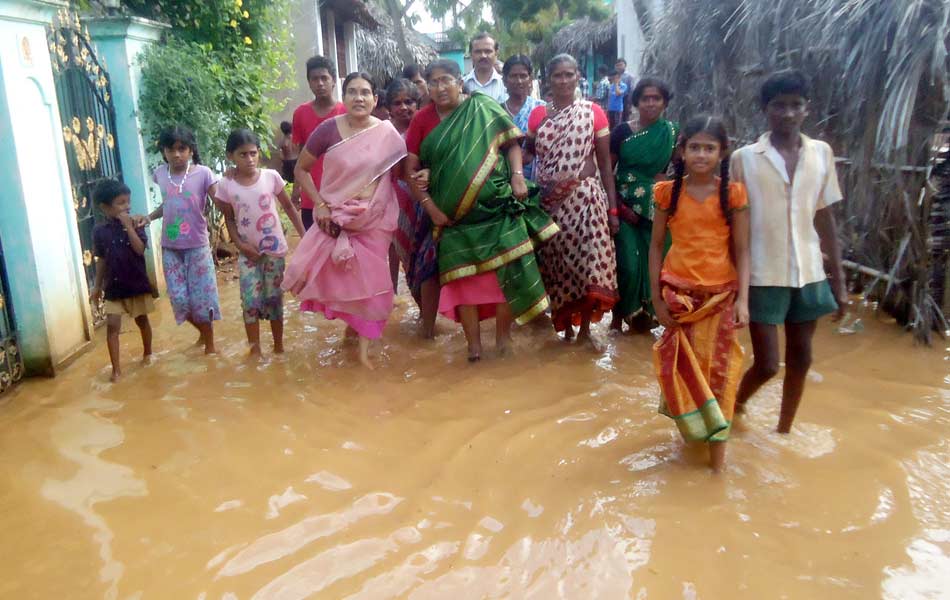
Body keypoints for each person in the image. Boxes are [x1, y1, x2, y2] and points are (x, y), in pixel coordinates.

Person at [405, 59, 558, 361]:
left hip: (496, 205)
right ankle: (473, 347)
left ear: (460, 82)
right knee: (464, 283)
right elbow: (412, 171)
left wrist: (517, 177)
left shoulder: (482, 107)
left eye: (445, 79)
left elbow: (512, 143)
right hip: (453, 218)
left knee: (504, 276)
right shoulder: (422, 121)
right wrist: (431, 209)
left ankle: (503, 341)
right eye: (433, 82)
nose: (439, 87)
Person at [731, 69, 848, 433]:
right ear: (766, 109)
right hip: (763, 272)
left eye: (795, 105)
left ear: (807, 109)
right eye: (779, 105)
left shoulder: (821, 154)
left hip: (809, 271)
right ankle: (734, 405)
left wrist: (839, 282)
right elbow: (735, 222)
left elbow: (825, 216)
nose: (787, 113)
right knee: (767, 364)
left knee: (802, 357)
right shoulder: (745, 158)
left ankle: (784, 431)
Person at [282, 72, 408, 369]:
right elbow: (300, 170)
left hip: (373, 218)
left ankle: (364, 352)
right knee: (345, 277)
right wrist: (321, 205)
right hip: (336, 216)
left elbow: (399, 176)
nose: (359, 97)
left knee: (374, 281)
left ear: (375, 100)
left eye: (365, 92)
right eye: (352, 91)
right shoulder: (327, 131)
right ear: (345, 96)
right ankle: (352, 332)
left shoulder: (387, 135)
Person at [649, 115, 751, 472]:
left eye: (710, 148)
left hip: (720, 299)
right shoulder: (667, 192)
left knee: (720, 377)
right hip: (679, 299)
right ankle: (690, 445)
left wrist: (743, 300)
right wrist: (657, 299)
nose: (702, 154)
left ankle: (717, 466)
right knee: (685, 377)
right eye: (695, 147)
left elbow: (743, 250)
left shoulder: (733, 194)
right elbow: (657, 246)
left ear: (722, 152)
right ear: (682, 151)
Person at [526, 54, 620, 349]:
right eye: (558, 75)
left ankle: (585, 334)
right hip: (550, 205)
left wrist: (612, 210)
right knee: (557, 267)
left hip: (586, 201)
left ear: (578, 76)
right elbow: (528, 155)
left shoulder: (593, 112)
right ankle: (566, 330)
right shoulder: (538, 116)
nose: (564, 80)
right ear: (549, 80)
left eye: (569, 74)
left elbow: (605, 165)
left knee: (588, 265)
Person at [215, 129, 306, 356]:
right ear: (230, 156)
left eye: (253, 153)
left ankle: (278, 347)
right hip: (248, 254)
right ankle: (255, 350)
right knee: (249, 301)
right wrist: (240, 245)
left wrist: (305, 236)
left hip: (274, 251)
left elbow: (288, 207)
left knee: (274, 299)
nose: (249, 159)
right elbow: (230, 219)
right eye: (243, 154)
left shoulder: (271, 177)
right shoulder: (226, 185)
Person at [610, 77, 678, 333]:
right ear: (636, 102)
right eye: (645, 98)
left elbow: (683, 167)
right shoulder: (622, 133)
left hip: (657, 211)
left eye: (656, 98)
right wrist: (617, 209)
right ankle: (620, 318)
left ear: (665, 103)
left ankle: (647, 320)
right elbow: (609, 172)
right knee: (627, 263)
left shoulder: (671, 132)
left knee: (660, 265)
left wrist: (666, 182)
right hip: (625, 209)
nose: (650, 103)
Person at [146, 125, 220, 354]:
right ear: (164, 151)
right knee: (178, 301)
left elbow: (220, 201)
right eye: (171, 149)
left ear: (190, 150)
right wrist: (148, 217)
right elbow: (168, 203)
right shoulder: (159, 174)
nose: (176, 154)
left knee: (202, 300)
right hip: (170, 248)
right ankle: (202, 332)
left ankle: (210, 346)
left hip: (197, 245)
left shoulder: (204, 173)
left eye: (182, 148)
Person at [384, 78, 435, 333]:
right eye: (397, 103)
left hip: (426, 203)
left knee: (426, 263)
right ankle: (424, 318)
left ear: (418, 103)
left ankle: (428, 322)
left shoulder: (427, 128)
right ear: (388, 108)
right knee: (408, 262)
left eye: (409, 102)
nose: (404, 107)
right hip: (398, 205)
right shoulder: (384, 133)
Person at [90, 179, 154, 381]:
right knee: (112, 327)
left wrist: (130, 228)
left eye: (128, 201)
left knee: (142, 321)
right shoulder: (99, 231)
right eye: (121, 203)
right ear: (105, 207)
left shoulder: (137, 224)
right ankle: (116, 370)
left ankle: (148, 354)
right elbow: (101, 260)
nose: (127, 206)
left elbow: (139, 249)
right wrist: (97, 286)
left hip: (135, 283)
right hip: (114, 287)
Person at [291, 55, 347, 231]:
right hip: (311, 196)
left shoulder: (346, 112)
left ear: (333, 81)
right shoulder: (300, 113)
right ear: (309, 83)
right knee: (315, 249)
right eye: (315, 79)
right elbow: (301, 152)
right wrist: (296, 187)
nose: (320, 83)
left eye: (324, 78)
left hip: (342, 194)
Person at [502, 55, 545, 181]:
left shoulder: (541, 109)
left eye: (523, 76)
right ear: (504, 80)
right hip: (505, 179)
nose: (519, 81)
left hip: (537, 179)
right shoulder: (497, 111)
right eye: (513, 76)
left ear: (530, 79)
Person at [462, 32, 507, 103]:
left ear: (496, 53)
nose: (483, 55)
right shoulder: (461, 85)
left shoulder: (506, 85)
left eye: (488, 51)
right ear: (471, 54)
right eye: (478, 52)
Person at [278, 121, 297, 185]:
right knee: (297, 181)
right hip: (296, 161)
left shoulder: (282, 141)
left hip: (287, 163)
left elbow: (280, 156)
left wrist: (282, 163)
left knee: (288, 182)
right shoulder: (296, 138)